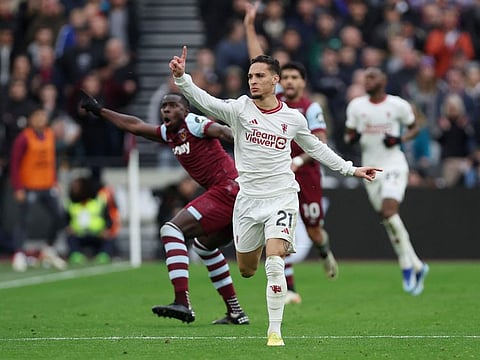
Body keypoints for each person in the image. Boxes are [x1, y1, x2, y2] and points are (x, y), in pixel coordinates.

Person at [168, 46, 380, 346]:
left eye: (259, 76)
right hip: (248, 200)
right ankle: (261, 287)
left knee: (275, 260)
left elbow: (316, 147)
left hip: (282, 196)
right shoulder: (240, 109)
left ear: (274, 81)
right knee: (246, 270)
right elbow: (207, 101)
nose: (252, 81)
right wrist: (182, 80)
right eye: (250, 76)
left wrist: (350, 169)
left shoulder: (293, 118)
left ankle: (275, 332)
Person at [79, 90, 249, 325]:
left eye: (172, 105)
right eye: (163, 106)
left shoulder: (193, 122)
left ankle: (182, 301)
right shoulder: (169, 134)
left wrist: (248, 140)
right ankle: (236, 312)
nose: (166, 110)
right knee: (204, 248)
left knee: (171, 230)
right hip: (231, 194)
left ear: (185, 110)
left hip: (227, 189)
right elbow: (134, 125)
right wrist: (99, 111)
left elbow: (221, 131)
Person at [244, 1, 338, 306]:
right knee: (280, 230)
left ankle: (324, 252)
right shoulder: (276, 100)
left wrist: (299, 159)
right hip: (278, 177)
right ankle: (290, 288)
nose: (290, 82)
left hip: (306, 174)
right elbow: (257, 60)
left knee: (313, 230)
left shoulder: (310, 108)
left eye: (296, 78)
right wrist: (249, 26)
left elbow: (320, 141)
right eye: (286, 78)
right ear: (279, 81)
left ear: (304, 83)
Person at [344, 67, 429, 296]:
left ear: (383, 80)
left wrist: (399, 139)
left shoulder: (398, 105)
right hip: (369, 169)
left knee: (389, 210)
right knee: (388, 218)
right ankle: (418, 265)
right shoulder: (356, 106)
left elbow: (415, 128)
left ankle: (406, 267)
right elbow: (347, 136)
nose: (367, 80)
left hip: (393, 165)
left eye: (372, 77)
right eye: (366, 77)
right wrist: (354, 138)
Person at [9, 107, 67, 272]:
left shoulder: (49, 134)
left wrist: (55, 181)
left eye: (43, 115)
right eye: (37, 116)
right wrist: (18, 187)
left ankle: (48, 249)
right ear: (30, 119)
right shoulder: (23, 138)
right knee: (24, 220)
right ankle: (19, 254)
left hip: (47, 185)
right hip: (29, 186)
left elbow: (51, 160)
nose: (41, 119)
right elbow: (15, 163)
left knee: (59, 217)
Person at [65, 175, 115, 264]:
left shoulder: (98, 201)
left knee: (109, 238)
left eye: (77, 187)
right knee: (70, 238)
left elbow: (109, 220)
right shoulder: (71, 204)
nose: (74, 189)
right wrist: (68, 227)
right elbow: (65, 220)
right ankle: (76, 255)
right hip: (79, 235)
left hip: (97, 234)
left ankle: (104, 255)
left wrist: (106, 229)